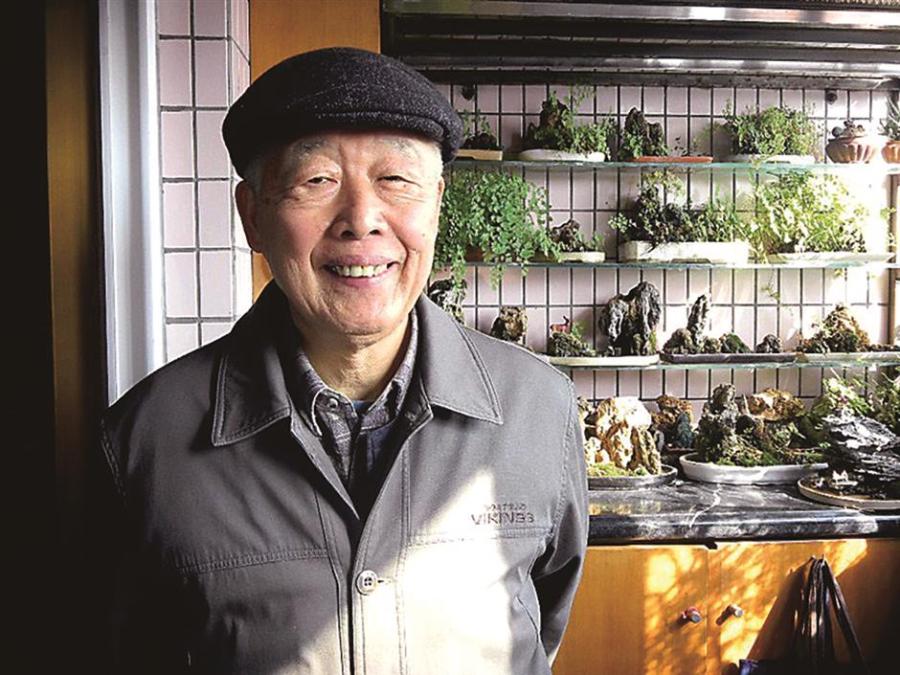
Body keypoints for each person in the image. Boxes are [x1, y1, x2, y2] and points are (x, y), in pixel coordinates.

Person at [99, 46, 587, 674]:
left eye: (397, 180)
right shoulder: (145, 441)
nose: (361, 220)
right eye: (316, 181)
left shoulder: (538, 409)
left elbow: (544, 625)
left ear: (436, 202)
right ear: (253, 217)